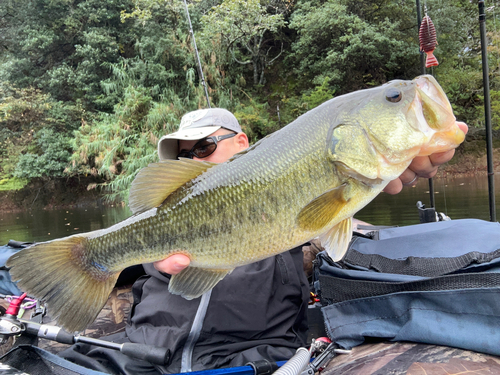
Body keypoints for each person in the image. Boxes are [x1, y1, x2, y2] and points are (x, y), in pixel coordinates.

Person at [60, 108, 467, 375]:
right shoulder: (166, 219)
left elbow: (331, 228)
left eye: (203, 146)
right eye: (182, 154)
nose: (193, 158)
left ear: (242, 142)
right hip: (145, 357)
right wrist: (139, 262)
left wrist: (386, 168)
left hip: (254, 361)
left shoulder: (293, 174)